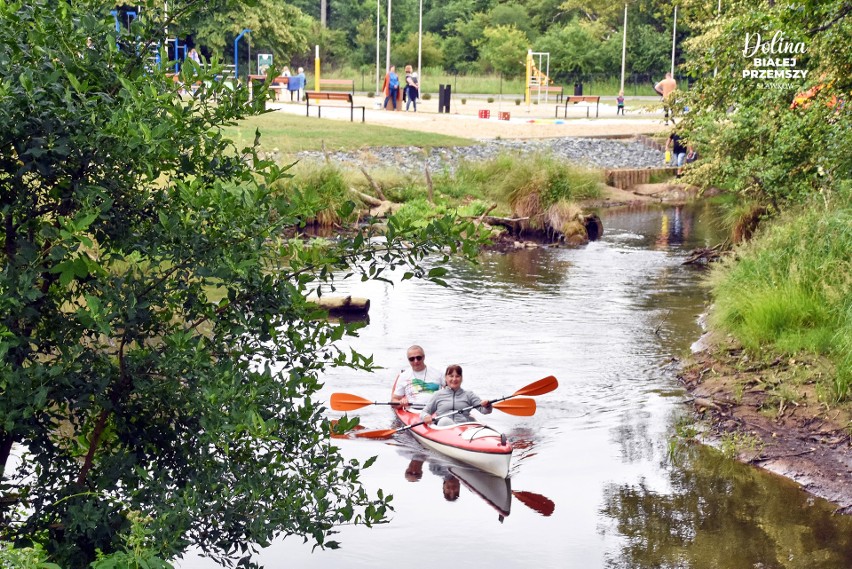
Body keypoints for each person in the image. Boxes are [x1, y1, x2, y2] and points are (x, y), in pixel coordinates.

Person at [420, 365, 492, 426]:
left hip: (463, 428)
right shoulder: (438, 395)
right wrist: (426, 416)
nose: (454, 379)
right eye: (451, 376)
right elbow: (424, 412)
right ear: (446, 378)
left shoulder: (469, 394)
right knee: (444, 421)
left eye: (457, 376)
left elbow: (485, 411)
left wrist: (487, 405)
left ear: (461, 378)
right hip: (444, 428)